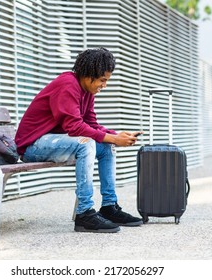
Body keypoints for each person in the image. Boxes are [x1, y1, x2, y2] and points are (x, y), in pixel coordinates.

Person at [15, 47, 143, 233]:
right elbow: (74, 127)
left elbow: (90, 123)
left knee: (106, 146)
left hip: (54, 143)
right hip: (32, 146)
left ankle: (109, 206)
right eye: (102, 80)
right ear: (89, 74)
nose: (104, 85)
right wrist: (112, 137)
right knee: (87, 143)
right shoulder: (67, 84)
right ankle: (84, 213)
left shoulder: (87, 92)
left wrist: (115, 136)